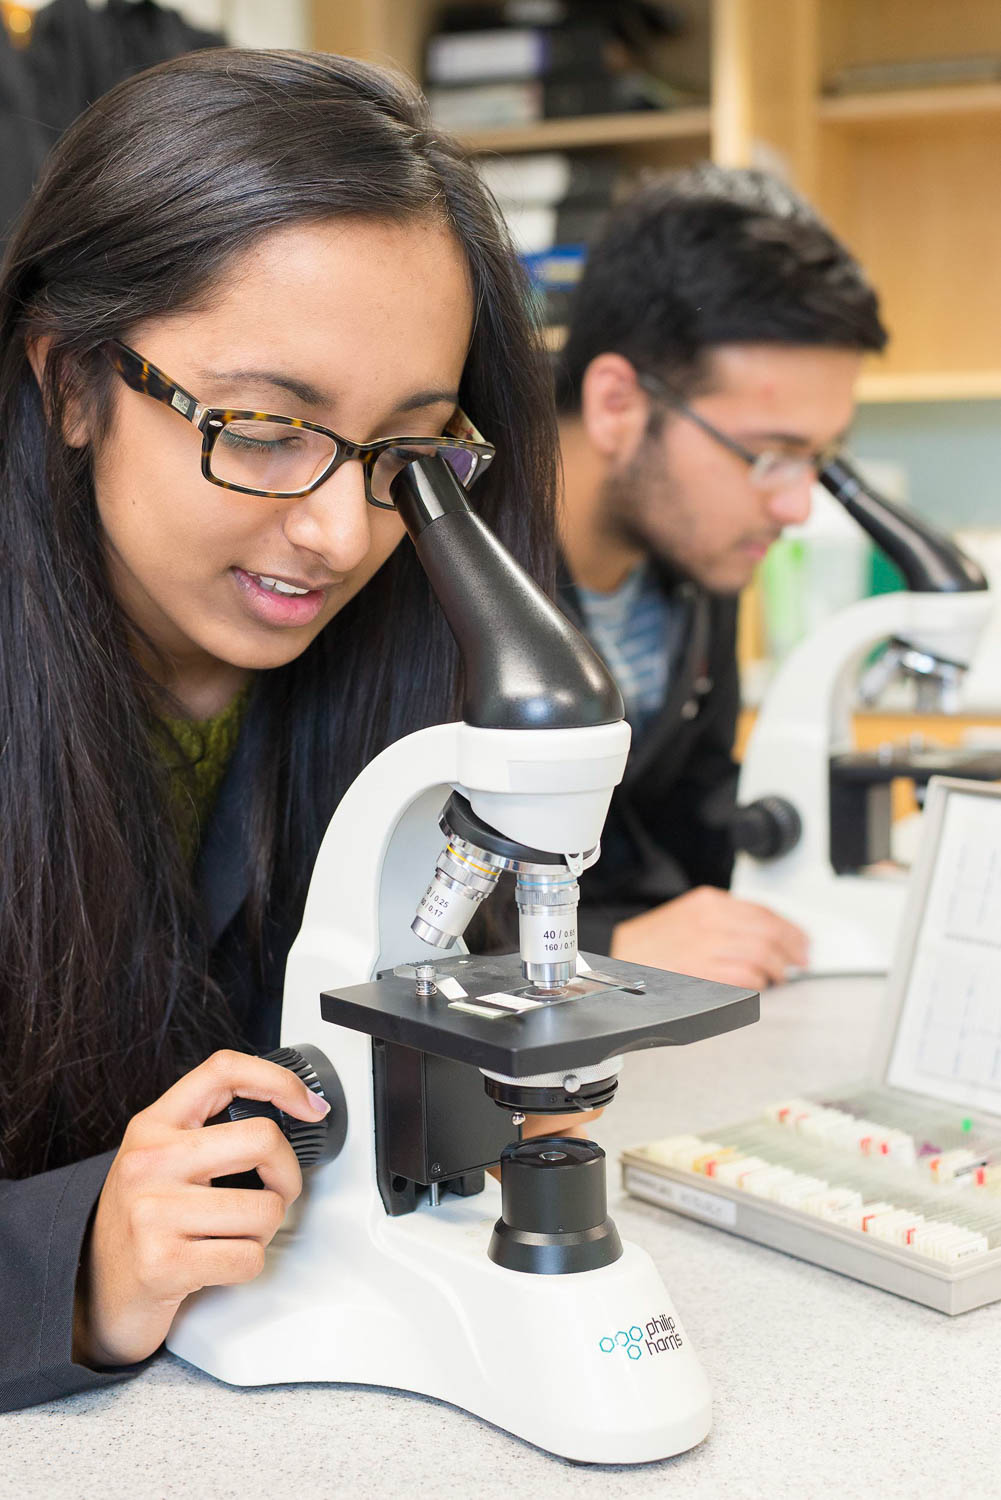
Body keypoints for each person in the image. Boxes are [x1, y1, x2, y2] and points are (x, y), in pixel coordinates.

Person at [0, 47, 577, 1413]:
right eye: (264, 427)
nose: (340, 530)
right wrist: (69, 1262)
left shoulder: (397, 661)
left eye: (407, 452)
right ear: (69, 383)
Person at [553, 166, 888, 990]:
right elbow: (351, 898)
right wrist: (601, 948)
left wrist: (840, 885)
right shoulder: (422, 571)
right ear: (617, 404)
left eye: (817, 458)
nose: (796, 504)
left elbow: (691, 809)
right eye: (769, 454)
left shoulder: (694, 561)